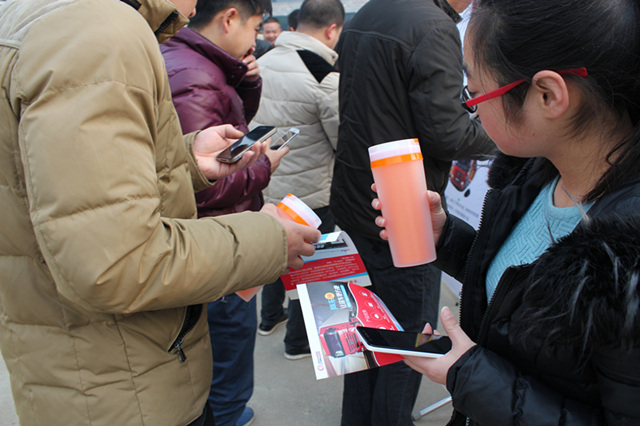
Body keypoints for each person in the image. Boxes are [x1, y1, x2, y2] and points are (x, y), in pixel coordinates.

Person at [0, 0, 321, 425]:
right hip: (123, 385)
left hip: (79, 370)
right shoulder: (99, 32)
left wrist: (184, 161)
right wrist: (269, 237)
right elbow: (116, 261)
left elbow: (61, 187)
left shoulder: (40, 16)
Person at [373, 0, 640, 424]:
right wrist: (447, 238)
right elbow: (523, 287)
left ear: (548, 95)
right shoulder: (535, 176)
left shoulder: (626, 262)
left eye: (475, 92)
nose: (472, 106)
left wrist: (472, 375)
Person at [329, 0, 495, 424]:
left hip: (355, 197)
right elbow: (447, 131)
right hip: (400, 211)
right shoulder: (433, 26)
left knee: (367, 336)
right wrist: (500, 136)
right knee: (408, 345)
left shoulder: (367, 11)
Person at [160, 0, 288, 424]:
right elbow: (204, 184)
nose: (256, 37)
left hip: (215, 238)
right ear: (230, 18)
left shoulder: (197, 63)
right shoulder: (195, 77)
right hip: (216, 240)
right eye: (254, 27)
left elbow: (228, 128)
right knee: (226, 350)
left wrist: (247, 82)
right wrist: (264, 168)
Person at [251, 0, 344, 360]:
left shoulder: (263, 59)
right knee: (313, 269)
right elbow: (342, 142)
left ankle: (269, 318)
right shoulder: (323, 76)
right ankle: (298, 342)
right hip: (312, 194)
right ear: (332, 29)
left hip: (266, 183)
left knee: (274, 252)